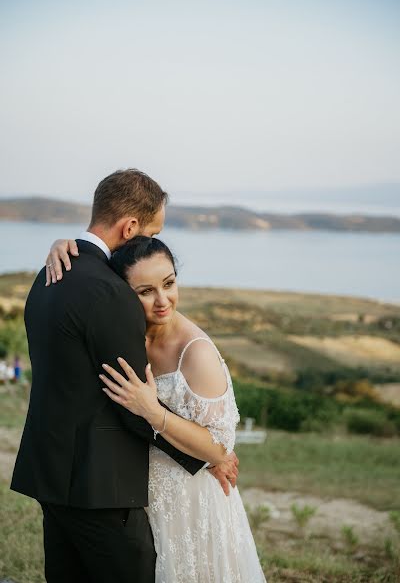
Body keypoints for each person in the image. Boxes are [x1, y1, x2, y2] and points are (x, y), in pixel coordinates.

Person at [11, 169, 238, 583]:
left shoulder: (50, 274)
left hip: (51, 472)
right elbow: (132, 401)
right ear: (129, 227)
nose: (149, 244)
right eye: (150, 233)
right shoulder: (109, 292)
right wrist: (210, 456)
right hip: (100, 486)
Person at [48, 234, 266, 582]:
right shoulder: (128, 333)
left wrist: (156, 413)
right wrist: (62, 246)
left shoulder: (196, 352)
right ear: (121, 293)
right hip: (142, 495)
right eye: (145, 291)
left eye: (169, 284)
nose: (162, 300)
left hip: (192, 500)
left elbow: (220, 449)